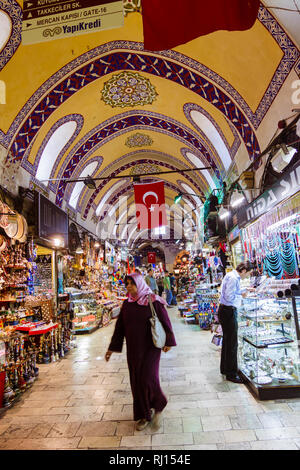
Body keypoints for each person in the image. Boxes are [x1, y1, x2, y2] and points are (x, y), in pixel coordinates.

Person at [105, 272, 176, 431]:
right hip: (134, 350)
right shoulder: (127, 304)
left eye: (132, 283)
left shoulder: (152, 301)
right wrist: (112, 348)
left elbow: (165, 320)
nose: (129, 286)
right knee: (136, 381)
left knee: (148, 378)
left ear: (140, 283)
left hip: (151, 348)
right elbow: (120, 328)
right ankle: (144, 415)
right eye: (127, 283)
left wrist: (169, 341)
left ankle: (159, 403)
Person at [218, 262, 252, 383]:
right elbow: (229, 297)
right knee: (232, 343)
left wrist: (243, 290)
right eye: (248, 273)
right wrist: (241, 296)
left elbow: (231, 293)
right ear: (243, 270)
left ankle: (225, 369)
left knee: (228, 341)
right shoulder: (233, 278)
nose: (247, 276)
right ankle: (231, 374)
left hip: (225, 311)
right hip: (228, 311)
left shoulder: (231, 275)